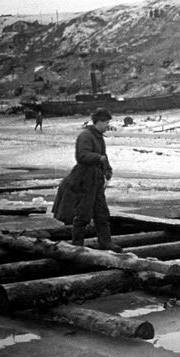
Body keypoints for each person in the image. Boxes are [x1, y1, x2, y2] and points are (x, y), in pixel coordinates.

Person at [51, 108, 121, 252]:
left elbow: (103, 156)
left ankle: (105, 243)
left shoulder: (98, 136)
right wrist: (98, 158)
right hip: (85, 179)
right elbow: (81, 156)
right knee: (83, 213)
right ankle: (77, 244)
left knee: (102, 213)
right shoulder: (86, 136)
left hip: (96, 179)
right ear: (99, 122)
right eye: (106, 122)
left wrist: (107, 169)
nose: (107, 125)